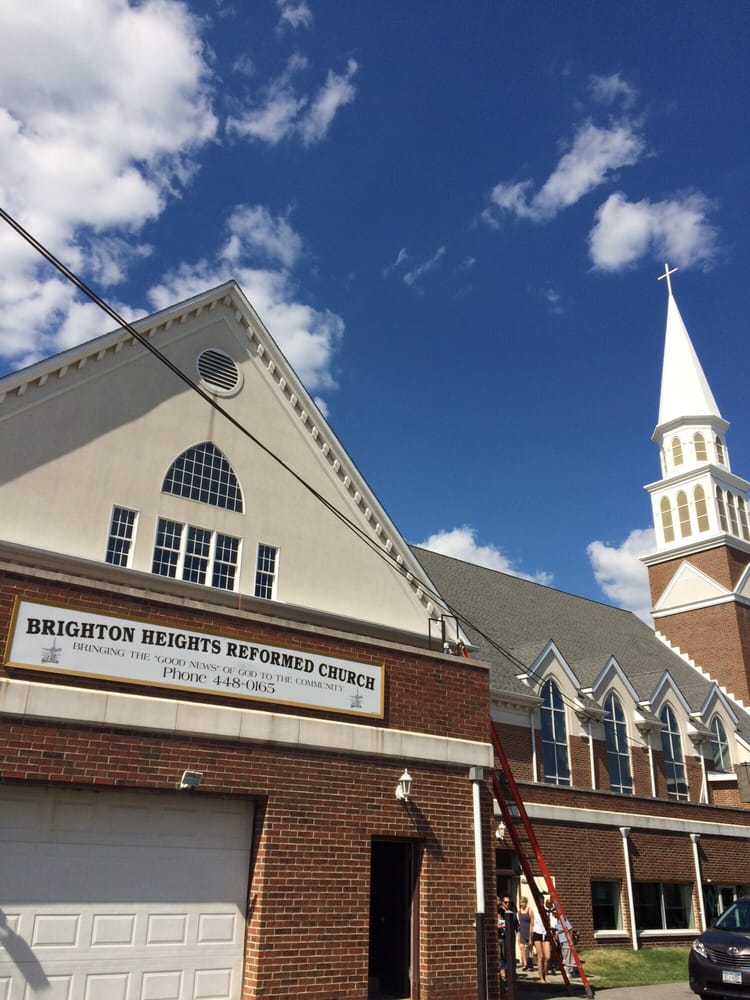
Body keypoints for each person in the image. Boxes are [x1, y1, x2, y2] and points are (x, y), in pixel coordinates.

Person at [532, 896, 554, 983]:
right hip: (537, 932)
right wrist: (530, 938)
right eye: (539, 900)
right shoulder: (534, 910)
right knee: (540, 956)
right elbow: (532, 923)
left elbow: (549, 922)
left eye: (542, 901)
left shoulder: (546, 911)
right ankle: (541, 978)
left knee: (548, 957)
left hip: (545, 933)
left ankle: (545, 974)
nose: (541, 902)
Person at [516, 896, 534, 972]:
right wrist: (519, 934)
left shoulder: (529, 910)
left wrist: (530, 935)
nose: (521, 904)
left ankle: (530, 964)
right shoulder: (519, 912)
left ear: (526, 903)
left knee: (530, 948)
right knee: (521, 947)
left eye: (523, 902)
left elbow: (532, 923)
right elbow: (519, 923)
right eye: (520, 902)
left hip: (528, 931)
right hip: (522, 931)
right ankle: (525, 964)